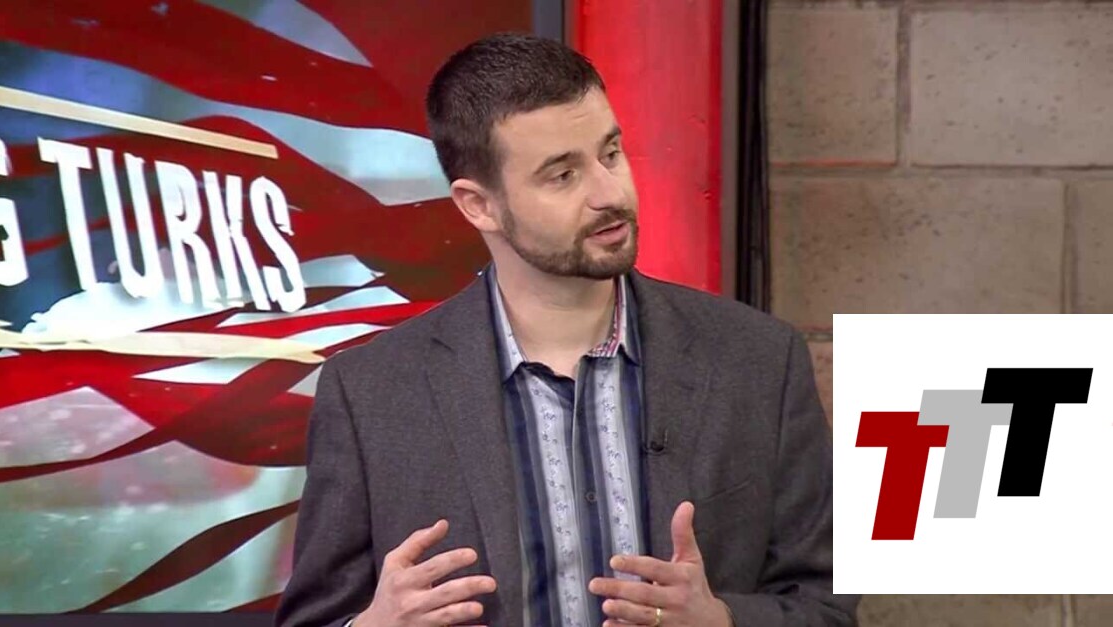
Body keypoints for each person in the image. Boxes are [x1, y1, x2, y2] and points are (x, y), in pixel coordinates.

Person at [276, 33, 857, 627]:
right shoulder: (370, 394)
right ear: (479, 205)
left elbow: (827, 608)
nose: (610, 193)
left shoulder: (759, 360)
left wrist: (722, 621)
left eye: (611, 153)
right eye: (562, 175)